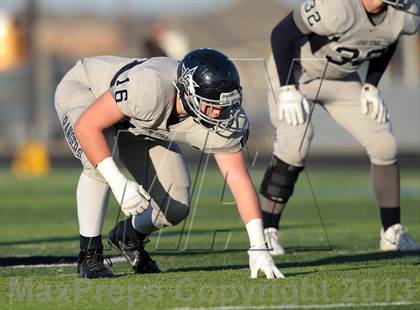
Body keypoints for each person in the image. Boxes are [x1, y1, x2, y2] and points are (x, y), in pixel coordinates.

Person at [55, 48, 283, 279]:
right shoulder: (149, 87)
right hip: (88, 90)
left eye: (226, 105)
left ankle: (129, 235)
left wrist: (258, 246)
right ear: (188, 92)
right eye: (211, 105)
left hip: (137, 124)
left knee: (175, 206)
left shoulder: (224, 117)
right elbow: (87, 126)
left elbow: (237, 178)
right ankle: (89, 255)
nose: (220, 114)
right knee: (99, 165)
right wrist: (118, 183)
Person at [261, 0, 420, 255]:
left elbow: (388, 39)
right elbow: (281, 34)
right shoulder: (338, 6)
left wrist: (371, 83)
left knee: (384, 143)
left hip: (342, 79)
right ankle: (266, 231)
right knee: (295, 145)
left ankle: (392, 231)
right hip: (296, 74)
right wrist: (287, 88)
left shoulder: (405, 14)